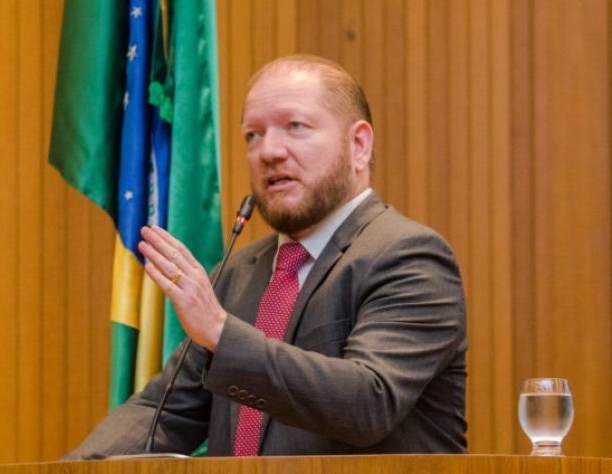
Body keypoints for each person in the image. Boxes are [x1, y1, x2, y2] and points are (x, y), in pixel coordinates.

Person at [64, 54, 467, 458]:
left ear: (358, 145)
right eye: (253, 135)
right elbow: (163, 412)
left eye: (295, 126)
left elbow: (369, 402)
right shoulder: (239, 272)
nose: (269, 151)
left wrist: (221, 331)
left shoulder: (408, 256)